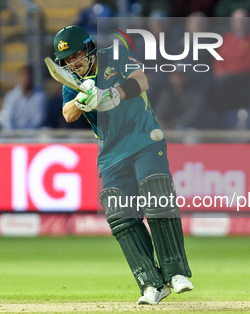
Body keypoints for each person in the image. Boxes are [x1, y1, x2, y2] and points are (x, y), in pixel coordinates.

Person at [53, 25, 193, 304]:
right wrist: (83, 99)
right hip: (110, 152)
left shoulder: (113, 56)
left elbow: (141, 80)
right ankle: (151, 284)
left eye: (78, 55)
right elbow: (67, 114)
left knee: (156, 196)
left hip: (143, 138)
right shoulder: (72, 80)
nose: (74, 63)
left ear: (90, 49)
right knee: (121, 215)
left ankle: (175, 272)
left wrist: (111, 94)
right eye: (67, 61)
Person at [0, 65, 47, 130]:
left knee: (47, 137)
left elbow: (38, 120)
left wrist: (26, 137)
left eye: (28, 75)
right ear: (18, 78)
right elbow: (7, 119)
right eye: (23, 75)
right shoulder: (11, 96)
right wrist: (13, 136)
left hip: (34, 134)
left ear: (33, 77)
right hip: (13, 134)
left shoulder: (41, 96)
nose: (26, 78)